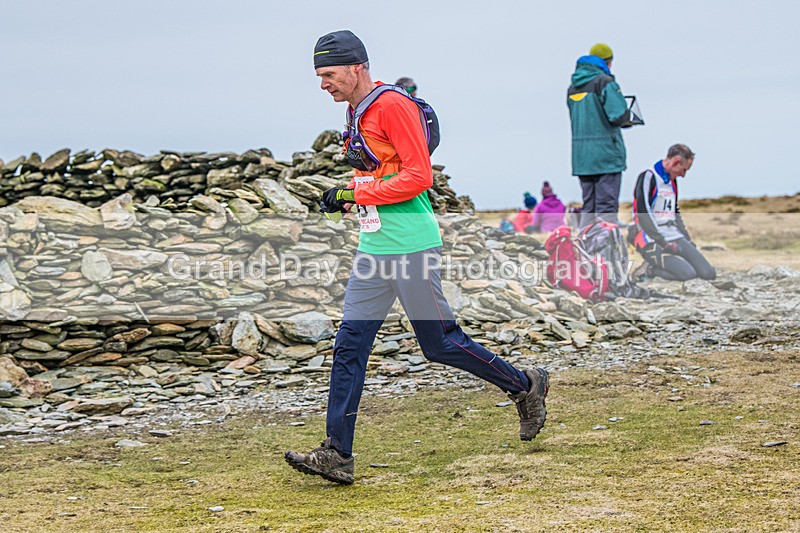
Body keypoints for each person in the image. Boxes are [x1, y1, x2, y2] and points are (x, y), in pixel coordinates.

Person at [285, 30, 550, 486]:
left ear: (356, 67)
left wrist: (355, 193)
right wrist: (347, 197)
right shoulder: (356, 111)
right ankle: (337, 454)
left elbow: (419, 177)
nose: (323, 84)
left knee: (440, 343)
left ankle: (525, 385)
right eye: (319, 76)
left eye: (329, 74)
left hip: (411, 245)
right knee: (349, 346)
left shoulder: (393, 105)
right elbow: (379, 174)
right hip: (375, 246)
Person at [567, 43, 631, 228]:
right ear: (608, 62)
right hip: (606, 155)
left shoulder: (573, 87)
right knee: (606, 206)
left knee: (589, 206)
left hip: (582, 157)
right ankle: (604, 244)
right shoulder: (605, 82)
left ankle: (585, 242)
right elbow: (617, 116)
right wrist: (627, 118)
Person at [631, 144, 716, 282]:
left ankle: (674, 264)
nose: (683, 175)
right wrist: (662, 242)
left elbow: (674, 212)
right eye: (684, 170)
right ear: (676, 162)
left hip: (673, 235)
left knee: (708, 273)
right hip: (650, 239)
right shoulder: (648, 176)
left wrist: (687, 239)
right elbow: (642, 212)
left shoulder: (672, 181)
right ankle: (649, 269)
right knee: (688, 274)